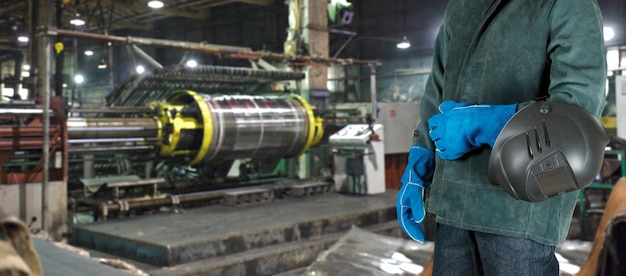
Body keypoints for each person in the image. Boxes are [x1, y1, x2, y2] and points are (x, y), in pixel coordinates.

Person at [396, 0, 607, 275]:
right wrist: (418, 165)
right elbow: (437, 88)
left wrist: (488, 123)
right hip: (454, 203)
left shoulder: (565, 4)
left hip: (519, 211)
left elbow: (578, 113)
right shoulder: (461, 7)